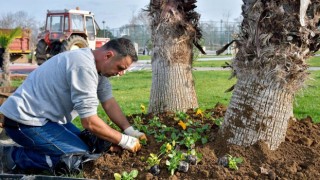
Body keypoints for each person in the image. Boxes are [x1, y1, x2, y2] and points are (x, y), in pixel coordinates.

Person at [0, 38, 146, 174]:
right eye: (120, 67)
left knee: (89, 147)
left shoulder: (97, 68)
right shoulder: (83, 66)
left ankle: (36, 148)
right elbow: (89, 122)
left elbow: (109, 102)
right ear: (108, 55)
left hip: (47, 120)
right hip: (24, 121)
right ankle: (12, 157)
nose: (121, 73)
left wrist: (129, 130)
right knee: (77, 159)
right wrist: (124, 140)